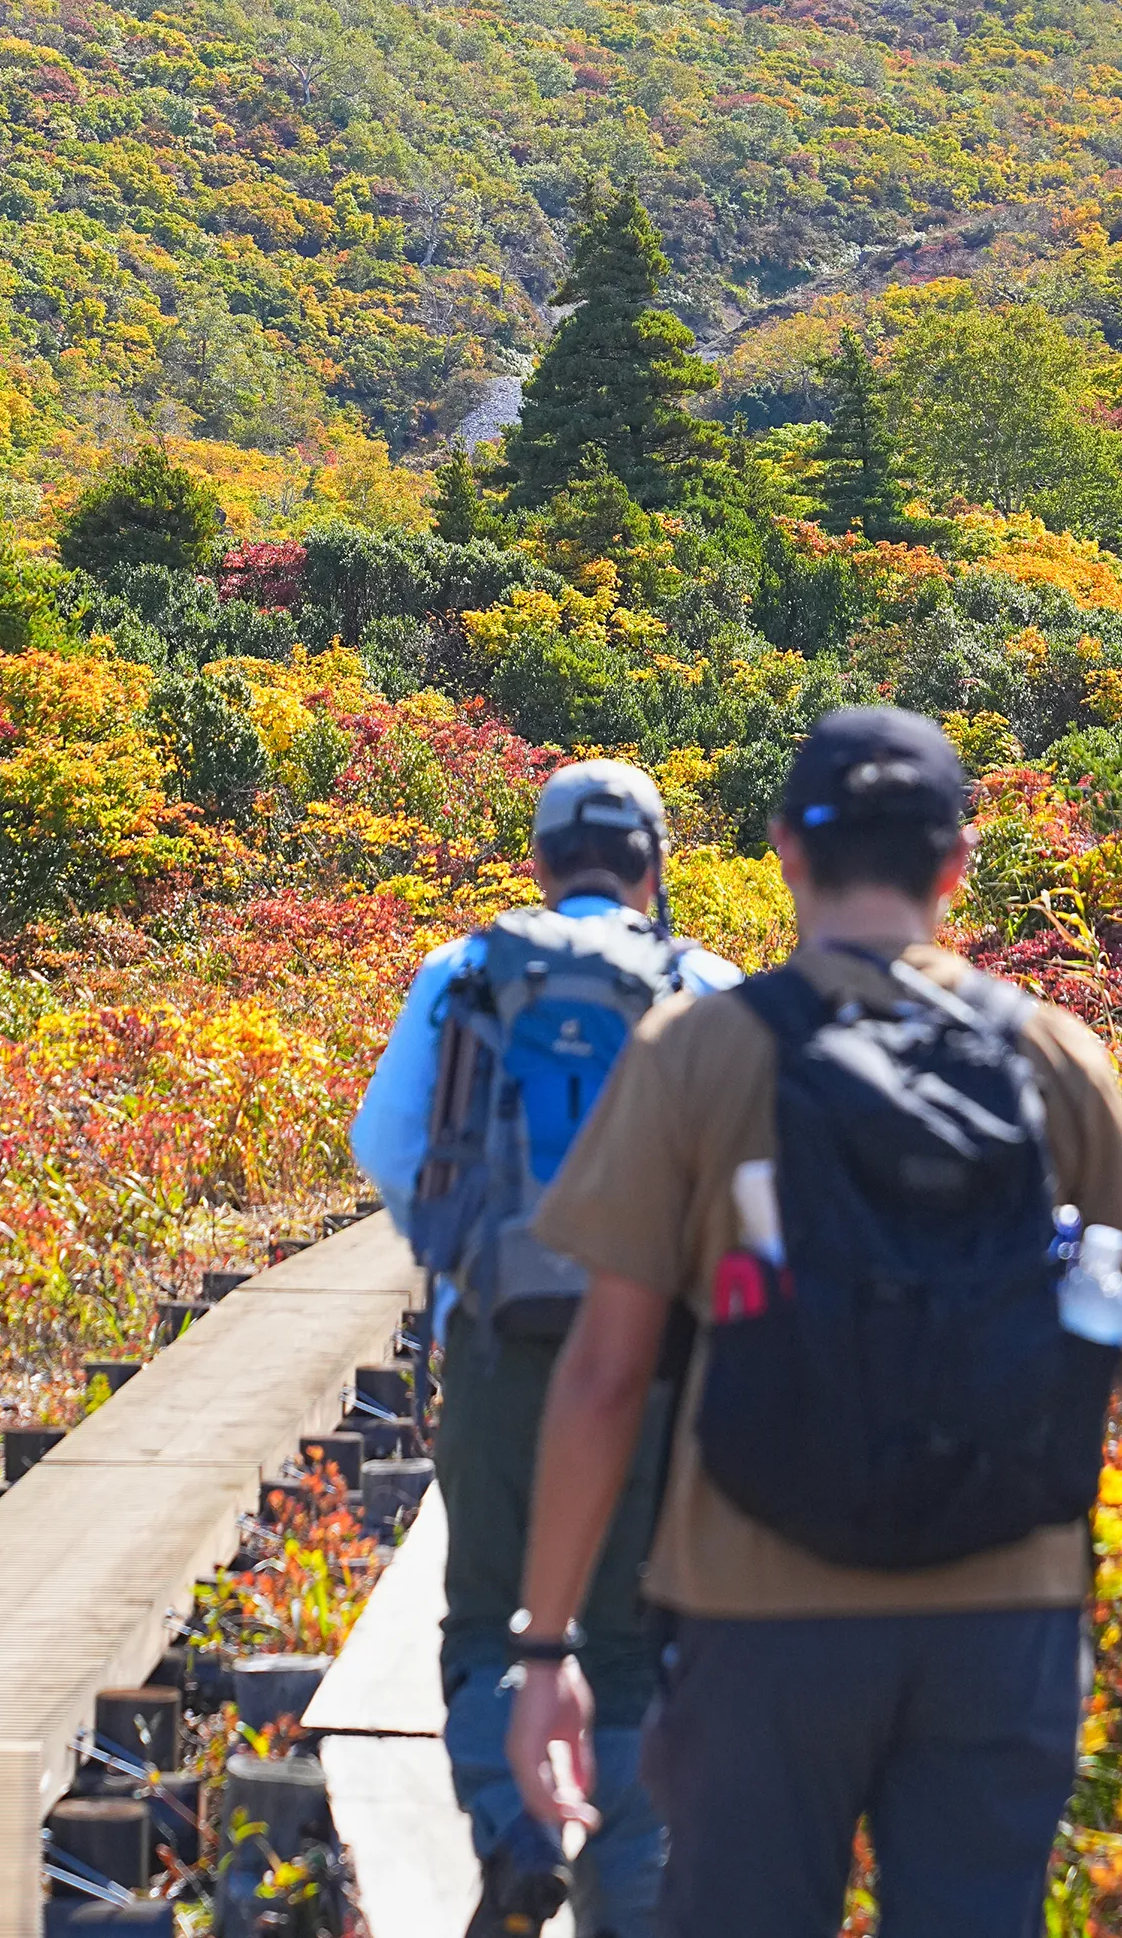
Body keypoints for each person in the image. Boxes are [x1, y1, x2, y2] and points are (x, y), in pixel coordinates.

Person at [505, 706, 1122, 1938]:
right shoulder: (1054, 1055)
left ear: (784, 850)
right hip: (1003, 1611)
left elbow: (605, 1376)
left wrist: (549, 1649)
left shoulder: (697, 1052)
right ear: (954, 864)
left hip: (757, 1616)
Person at [352, 760, 741, 1938]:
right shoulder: (703, 986)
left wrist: (472, 1261)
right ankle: (626, 1896)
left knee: (487, 1616)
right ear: (653, 864)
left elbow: (387, 1141)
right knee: (628, 1632)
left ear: (539, 858)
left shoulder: (463, 973)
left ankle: (519, 1837)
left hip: (498, 1343)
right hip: (661, 1359)